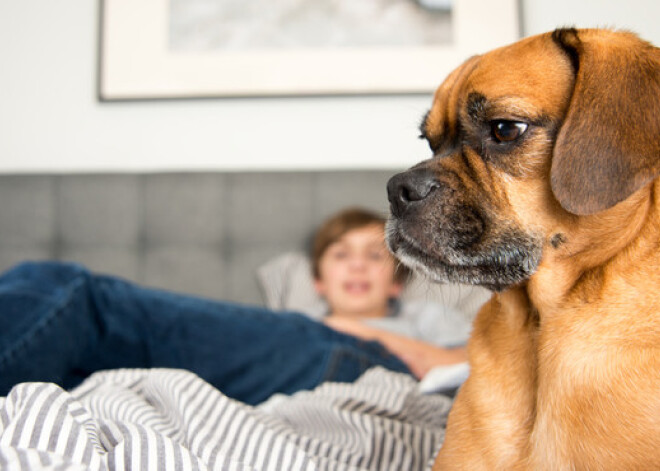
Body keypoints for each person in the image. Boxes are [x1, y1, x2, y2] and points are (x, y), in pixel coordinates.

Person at [0, 208, 471, 405]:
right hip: (305, 350)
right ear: (317, 281)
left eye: (374, 256)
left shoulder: (425, 318)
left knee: (67, 291)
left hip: (374, 368)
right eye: (341, 255)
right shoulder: (292, 327)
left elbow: (466, 364)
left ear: (396, 282)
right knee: (80, 373)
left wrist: (363, 331)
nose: (358, 268)